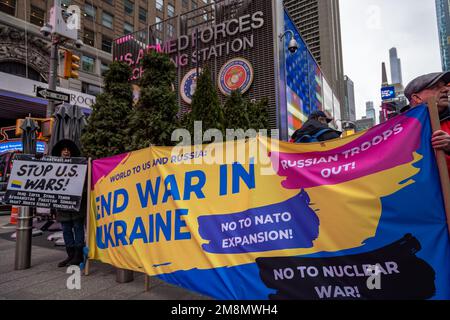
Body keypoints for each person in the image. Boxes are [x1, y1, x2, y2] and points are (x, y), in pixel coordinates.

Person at [404, 71, 450, 176]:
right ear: (417, 98)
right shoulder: (400, 130)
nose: (446, 90)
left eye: (445, 85)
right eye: (436, 87)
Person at [51, 139, 86, 268]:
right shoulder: (53, 167)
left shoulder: (80, 165)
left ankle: (78, 255)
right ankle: (70, 255)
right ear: (60, 152)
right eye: (63, 150)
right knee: (66, 229)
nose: (66, 152)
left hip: (76, 204)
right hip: (62, 205)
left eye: (68, 150)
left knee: (77, 227)